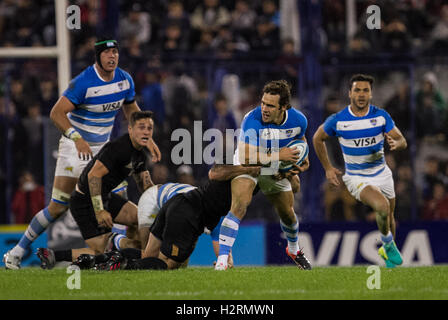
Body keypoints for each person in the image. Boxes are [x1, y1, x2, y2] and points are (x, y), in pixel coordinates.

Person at [3, 37, 161, 269]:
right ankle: (16, 252)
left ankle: (121, 259)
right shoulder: (84, 82)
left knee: (123, 207)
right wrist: (76, 138)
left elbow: (130, 109)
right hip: (75, 149)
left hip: (105, 151)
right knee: (58, 206)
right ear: (97, 57)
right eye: (107, 54)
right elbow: (57, 113)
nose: (112, 57)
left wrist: (147, 138)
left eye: (115, 53)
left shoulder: (125, 80)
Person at [71, 163, 264, 271]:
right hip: (187, 212)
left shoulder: (240, 177)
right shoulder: (238, 174)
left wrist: (225, 259)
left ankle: (97, 260)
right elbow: (214, 172)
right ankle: (119, 263)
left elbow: (221, 244)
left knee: (148, 256)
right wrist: (247, 169)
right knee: (169, 264)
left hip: (176, 203)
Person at [36, 111, 156, 269]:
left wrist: (160, 200)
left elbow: (145, 186)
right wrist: (99, 211)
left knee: (140, 217)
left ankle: (127, 259)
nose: (146, 131)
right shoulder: (119, 148)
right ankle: (52, 255)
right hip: (85, 201)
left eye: (149, 128)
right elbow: (93, 176)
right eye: (142, 127)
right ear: (130, 129)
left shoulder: (139, 154)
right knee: (100, 251)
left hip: (105, 196)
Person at [215, 80, 311, 271]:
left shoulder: (299, 121)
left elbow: (301, 148)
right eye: (263, 103)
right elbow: (245, 156)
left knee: (288, 213)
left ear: (284, 107)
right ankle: (222, 260)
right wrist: (279, 155)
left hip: (274, 166)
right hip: (249, 164)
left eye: (270, 105)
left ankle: (293, 250)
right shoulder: (253, 118)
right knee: (239, 204)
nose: (264, 109)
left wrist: (292, 168)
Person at [312, 74, 407, 268]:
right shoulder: (338, 120)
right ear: (350, 93)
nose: (361, 94)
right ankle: (388, 245)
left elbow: (402, 140)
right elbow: (317, 138)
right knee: (381, 206)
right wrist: (328, 168)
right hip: (357, 177)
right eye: (357, 90)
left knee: (389, 218)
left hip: (383, 173)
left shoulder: (381, 116)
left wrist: (397, 144)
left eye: (365, 90)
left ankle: (387, 252)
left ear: (371, 94)